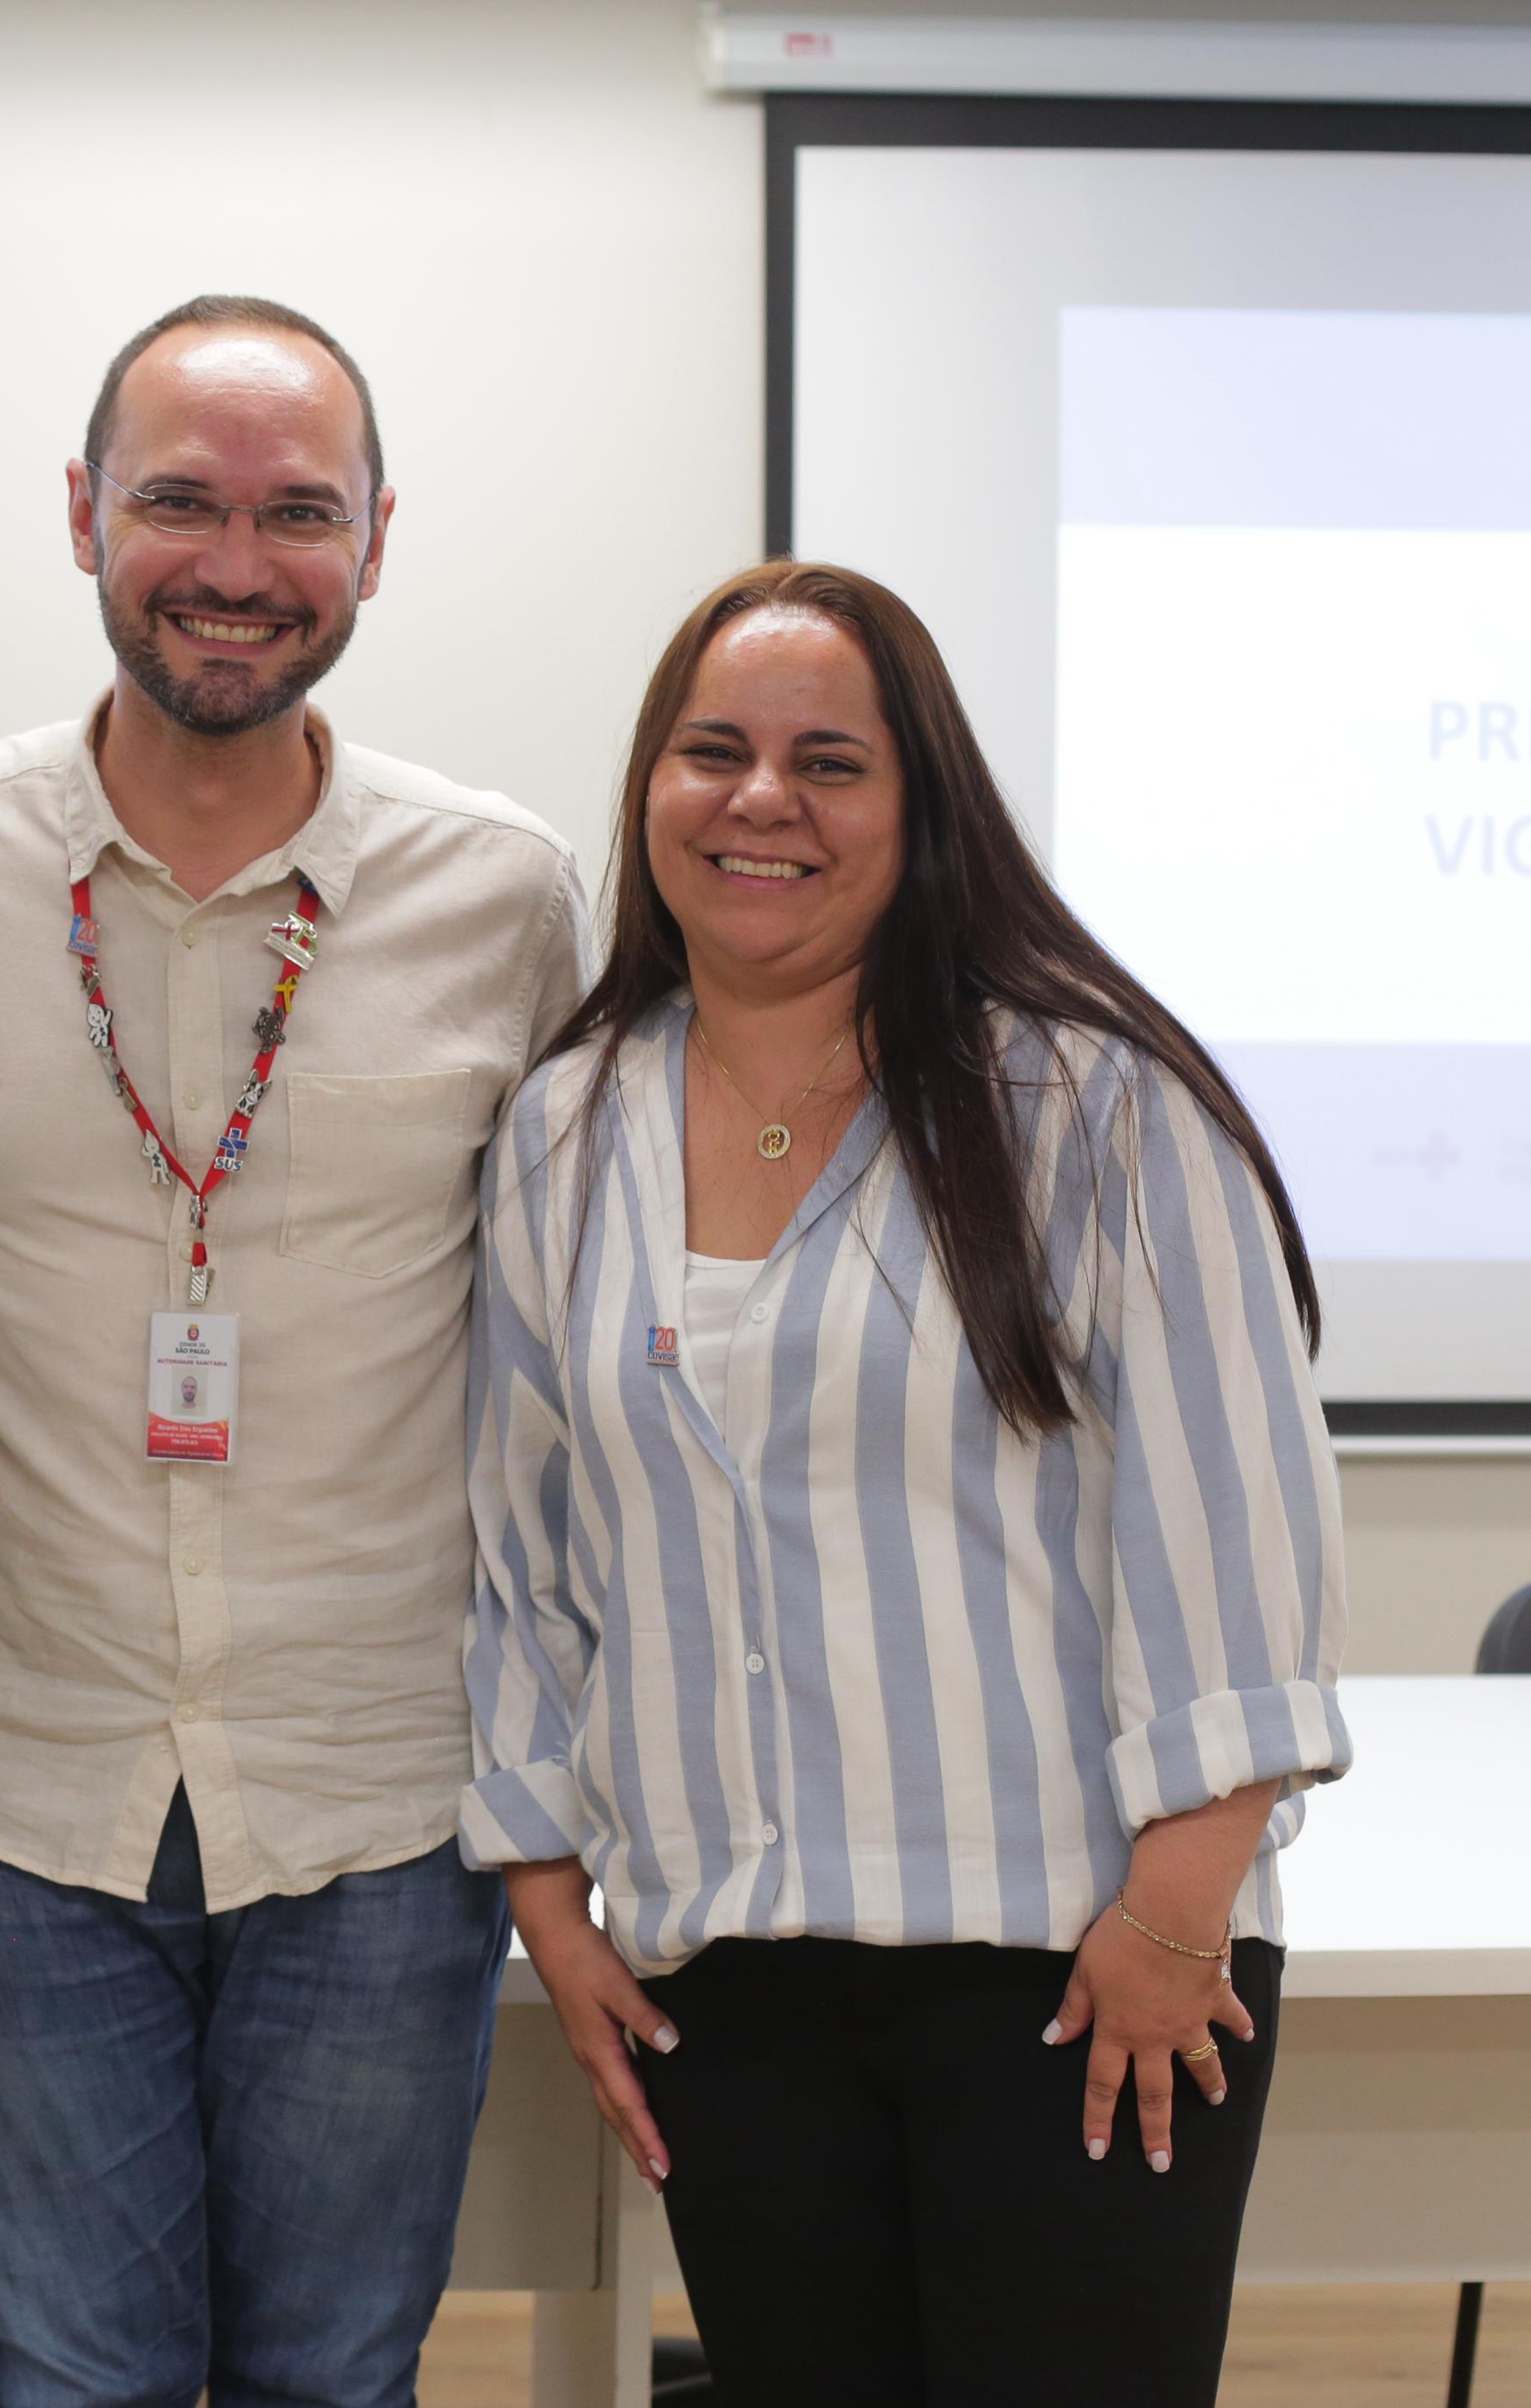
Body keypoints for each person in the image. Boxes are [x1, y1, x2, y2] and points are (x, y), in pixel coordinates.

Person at [0, 294, 591, 2408]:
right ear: (79, 515)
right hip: (11, 1787)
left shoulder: (503, 895)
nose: (234, 562)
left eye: (294, 512)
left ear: (375, 542)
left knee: (340, 2381)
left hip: (377, 1792)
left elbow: (558, 1325)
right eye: (176, 501)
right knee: (74, 2386)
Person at [464, 561, 1350, 2406]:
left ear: (921, 802)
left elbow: (1237, 1552)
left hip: (1074, 1964)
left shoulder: (1093, 1108)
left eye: (827, 761)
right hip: (732, 1969)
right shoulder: (565, 1126)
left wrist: (1173, 1922)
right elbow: (524, 1543)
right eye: (711, 752)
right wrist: (548, 1897)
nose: (759, 799)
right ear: (649, 792)